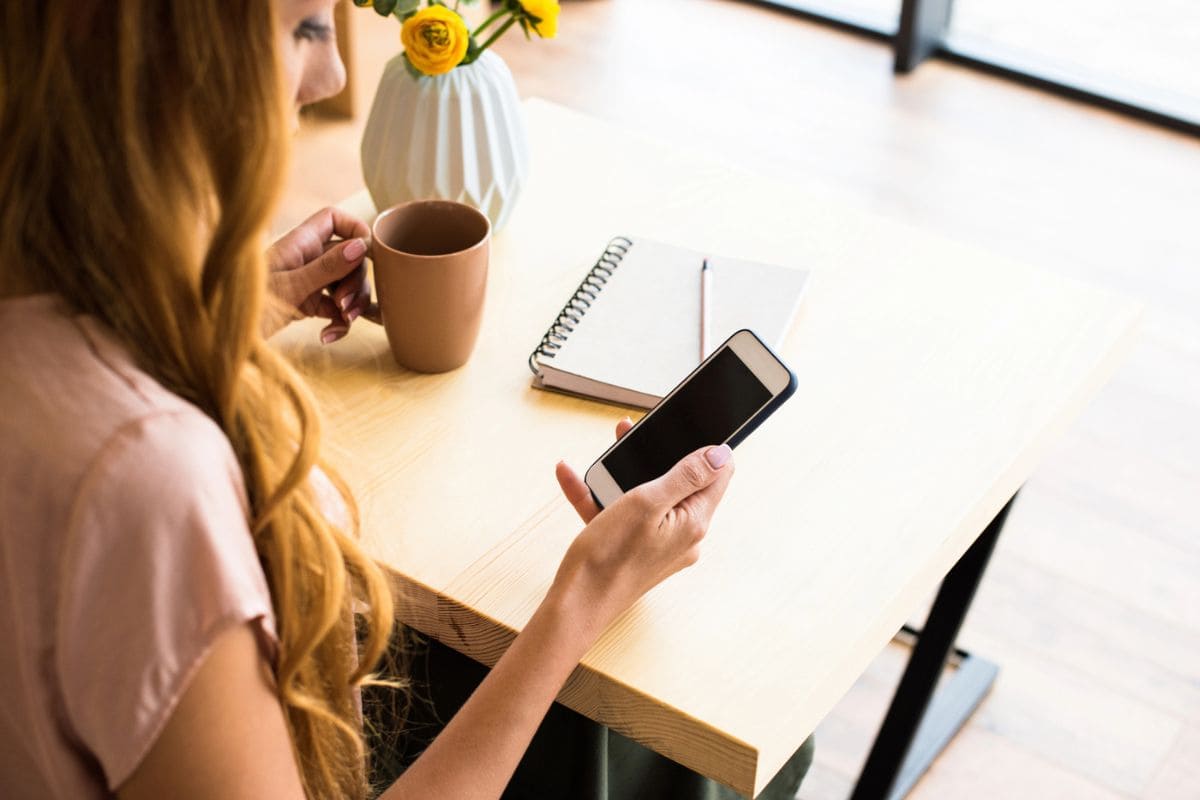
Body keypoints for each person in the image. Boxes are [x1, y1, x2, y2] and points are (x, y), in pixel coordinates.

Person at [0, 2, 810, 798]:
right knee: (675, 747)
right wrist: (584, 597)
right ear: (147, 51)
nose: (332, 74)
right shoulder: (149, 487)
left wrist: (225, 310)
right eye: (305, 29)